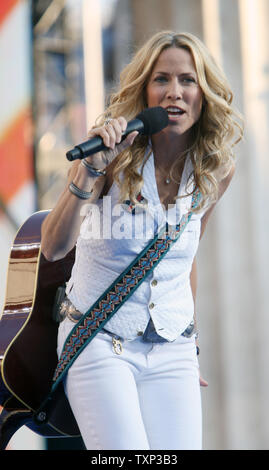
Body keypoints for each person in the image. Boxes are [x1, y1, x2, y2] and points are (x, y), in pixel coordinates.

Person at [41, 31, 243, 450]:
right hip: (97, 338)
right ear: (144, 92)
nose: (175, 92)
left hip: (173, 349)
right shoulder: (112, 161)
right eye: (161, 80)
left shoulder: (215, 170)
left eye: (188, 80)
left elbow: (184, 261)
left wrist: (190, 340)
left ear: (204, 92)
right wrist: (89, 172)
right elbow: (53, 248)